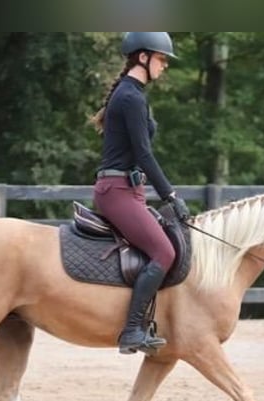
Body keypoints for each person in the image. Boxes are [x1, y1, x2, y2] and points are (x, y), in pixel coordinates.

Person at [90, 32, 190, 356]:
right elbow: (144, 155)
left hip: (129, 190)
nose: (164, 66)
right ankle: (131, 330)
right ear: (143, 58)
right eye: (162, 59)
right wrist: (171, 196)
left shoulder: (132, 94)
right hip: (117, 191)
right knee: (164, 252)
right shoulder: (130, 97)